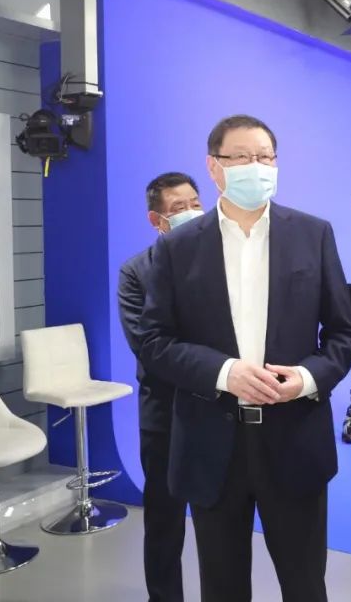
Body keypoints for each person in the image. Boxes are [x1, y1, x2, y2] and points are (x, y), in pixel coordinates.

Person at [138, 115, 351, 602]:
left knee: (305, 585)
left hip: (294, 437)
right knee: (222, 587)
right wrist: (224, 372)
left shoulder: (313, 234)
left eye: (264, 157)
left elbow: (344, 333)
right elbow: (155, 341)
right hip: (210, 443)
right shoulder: (177, 247)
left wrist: (305, 378)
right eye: (240, 157)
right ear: (214, 167)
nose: (254, 166)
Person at [118, 171, 205, 602]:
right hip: (165, 414)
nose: (191, 213)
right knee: (165, 522)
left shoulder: (226, 263)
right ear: (157, 220)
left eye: (195, 204)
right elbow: (149, 348)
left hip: (219, 413)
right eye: (178, 208)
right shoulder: (137, 272)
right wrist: (217, 366)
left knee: (218, 524)